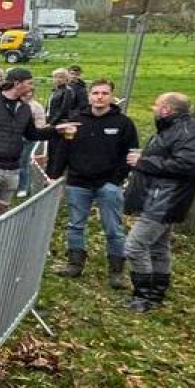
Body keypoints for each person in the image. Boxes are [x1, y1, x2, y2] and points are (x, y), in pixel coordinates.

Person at [122, 93, 195, 313]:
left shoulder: (190, 133)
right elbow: (169, 156)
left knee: (134, 246)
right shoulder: (172, 129)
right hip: (159, 197)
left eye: (157, 104)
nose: (153, 108)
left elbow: (187, 166)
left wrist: (143, 161)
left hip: (166, 199)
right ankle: (156, 294)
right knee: (159, 247)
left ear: (167, 110)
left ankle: (142, 296)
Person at [49, 79, 138, 287]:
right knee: (75, 225)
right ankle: (74, 263)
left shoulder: (123, 123)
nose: (99, 97)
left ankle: (117, 272)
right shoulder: (76, 120)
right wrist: (55, 174)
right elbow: (63, 149)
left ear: (111, 96)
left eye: (104, 93)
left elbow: (131, 153)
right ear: (89, 95)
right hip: (78, 182)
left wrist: (117, 178)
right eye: (96, 93)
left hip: (108, 184)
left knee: (113, 229)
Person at [0, 66, 70, 205]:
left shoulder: (25, 108)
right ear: (17, 83)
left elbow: (32, 134)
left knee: (2, 210)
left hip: (13, 168)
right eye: (29, 82)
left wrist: (56, 130)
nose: (32, 86)